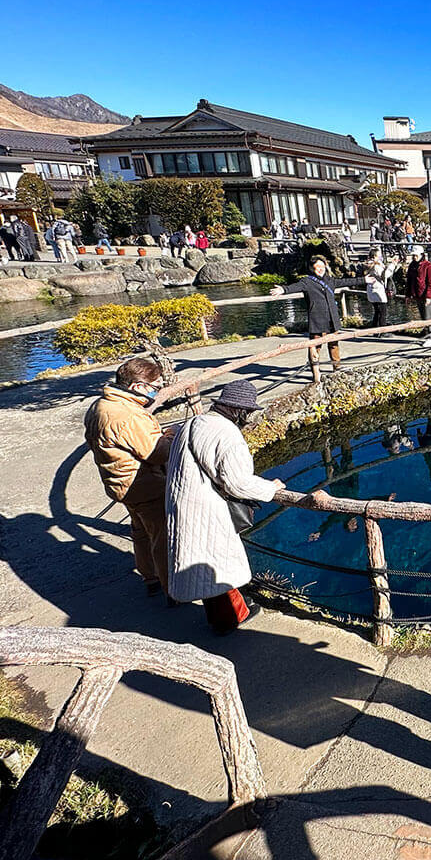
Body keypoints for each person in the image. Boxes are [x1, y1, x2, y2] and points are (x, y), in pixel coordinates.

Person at [166, 380, 285, 634]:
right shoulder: (227, 435)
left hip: (184, 503)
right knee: (216, 566)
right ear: (239, 410)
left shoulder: (194, 423)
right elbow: (237, 482)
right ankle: (228, 620)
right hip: (205, 510)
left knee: (200, 562)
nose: (249, 419)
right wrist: (270, 488)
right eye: (248, 413)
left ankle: (228, 613)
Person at [83, 358, 173, 596]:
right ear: (136, 387)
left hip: (119, 482)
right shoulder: (127, 415)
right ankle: (171, 588)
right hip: (144, 484)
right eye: (154, 387)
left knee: (141, 532)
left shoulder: (100, 405)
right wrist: (171, 437)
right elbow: (157, 452)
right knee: (161, 537)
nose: (156, 391)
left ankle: (150, 577)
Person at [269, 256, 359, 382]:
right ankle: (315, 372)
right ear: (312, 268)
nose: (321, 269)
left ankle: (336, 367)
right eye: (318, 267)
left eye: (323, 267)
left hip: (332, 318)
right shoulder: (307, 282)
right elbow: (295, 287)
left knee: (334, 344)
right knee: (315, 346)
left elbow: (346, 282)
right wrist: (283, 289)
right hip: (317, 319)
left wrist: (365, 279)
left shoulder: (329, 280)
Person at [364, 250, 395, 330]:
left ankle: (374, 330)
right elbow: (385, 275)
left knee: (377, 312)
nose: (381, 257)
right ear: (375, 257)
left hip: (371, 290)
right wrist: (392, 265)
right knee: (382, 312)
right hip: (378, 291)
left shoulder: (369, 265)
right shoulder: (376, 266)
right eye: (379, 256)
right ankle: (382, 330)